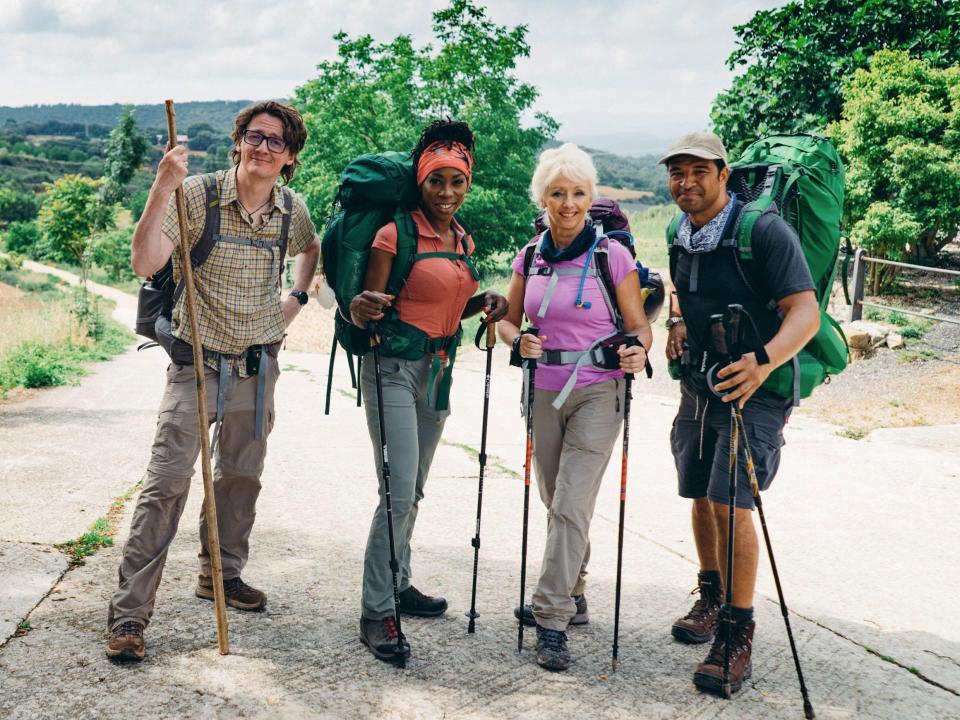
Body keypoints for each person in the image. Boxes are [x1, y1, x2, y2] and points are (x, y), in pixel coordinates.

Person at [105, 101, 320, 661]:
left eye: (276, 142)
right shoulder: (194, 194)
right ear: (238, 142)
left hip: (256, 366)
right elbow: (146, 261)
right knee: (166, 486)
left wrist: (293, 301)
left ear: (290, 157)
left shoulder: (291, 210)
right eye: (255, 137)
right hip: (195, 364)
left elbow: (311, 249)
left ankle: (220, 576)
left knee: (239, 480)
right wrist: (162, 184)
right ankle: (129, 616)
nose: (263, 148)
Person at [660, 132, 819, 695]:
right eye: (677, 172)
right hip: (701, 381)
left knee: (732, 503)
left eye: (698, 171)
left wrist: (762, 364)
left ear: (723, 174)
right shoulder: (679, 231)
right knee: (701, 493)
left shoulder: (763, 231)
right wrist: (676, 322)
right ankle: (711, 597)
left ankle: (737, 633)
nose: (686, 182)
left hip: (758, 387)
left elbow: (806, 312)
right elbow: (681, 286)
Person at [348, 119, 508, 664]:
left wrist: (483, 299)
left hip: (437, 373)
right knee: (395, 492)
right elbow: (370, 305)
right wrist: (360, 306)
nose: (446, 193)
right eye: (436, 181)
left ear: (468, 184)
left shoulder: (461, 237)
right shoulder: (394, 234)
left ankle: (399, 582)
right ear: (420, 181)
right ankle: (377, 612)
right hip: (391, 368)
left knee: (411, 488)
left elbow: (443, 305)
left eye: (456, 182)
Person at [499, 143, 652, 671]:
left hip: (598, 390)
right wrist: (515, 341)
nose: (568, 204)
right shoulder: (530, 254)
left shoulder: (613, 256)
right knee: (553, 496)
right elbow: (506, 320)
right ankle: (575, 590)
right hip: (543, 386)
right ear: (542, 197)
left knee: (570, 501)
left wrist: (638, 351)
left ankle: (551, 616)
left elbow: (639, 326)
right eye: (558, 193)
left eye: (579, 193)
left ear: (591, 197)